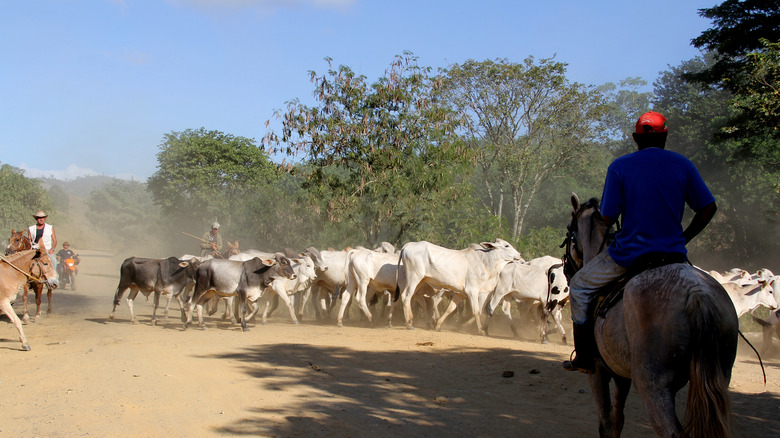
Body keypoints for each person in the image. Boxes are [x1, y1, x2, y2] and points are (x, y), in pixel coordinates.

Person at [563, 111, 718, 374]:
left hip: (630, 255)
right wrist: (684, 237)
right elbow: (708, 208)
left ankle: (585, 357)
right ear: (665, 136)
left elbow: (608, 217)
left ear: (635, 138)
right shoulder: (683, 164)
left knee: (579, 286)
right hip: (672, 255)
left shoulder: (620, 167)